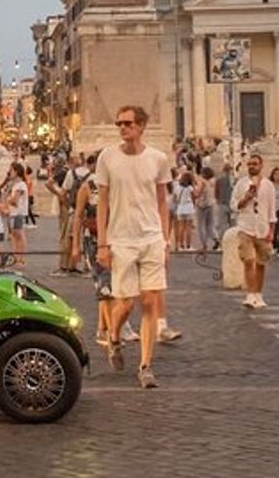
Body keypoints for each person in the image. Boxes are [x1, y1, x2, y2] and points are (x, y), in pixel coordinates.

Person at [94, 104, 171, 389]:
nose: (122, 128)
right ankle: (114, 335)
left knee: (150, 301)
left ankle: (146, 366)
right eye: (119, 124)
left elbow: (162, 201)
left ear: (140, 126)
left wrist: (165, 239)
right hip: (121, 239)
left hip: (151, 237)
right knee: (125, 303)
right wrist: (103, 243)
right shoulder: (107, 158)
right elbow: (102, 201)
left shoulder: (158, 159)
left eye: (127, 123)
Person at [232, 153, 277, 309]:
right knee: (248, 261)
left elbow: (272, 211)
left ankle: (259, 294)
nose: (252, 166)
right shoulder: (240, 184)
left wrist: (272, 231)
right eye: (250, 164)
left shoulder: (269, 185)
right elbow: (234, 205)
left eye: (255, 164)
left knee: (261, 263)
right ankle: (250, 295)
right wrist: (245, 199)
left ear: (261, 165)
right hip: (245, 227)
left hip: (263, 228)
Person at [4, 162, 30, 266]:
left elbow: (14, 200)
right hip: (13, 213)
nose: (9, 172)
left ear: (16, 171)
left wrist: (8, 198)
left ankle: (20, 258)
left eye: (11, 170)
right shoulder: (15, 184)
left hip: (17, 213)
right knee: (14, 236)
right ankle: (16, 258)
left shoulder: (20, 185)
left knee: (19, 235)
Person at [195, 167, 218, 251]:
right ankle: (216, 238)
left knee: (201, 225)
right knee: (210, 225)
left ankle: (204, 244)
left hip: (202, 205)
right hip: (211, 203)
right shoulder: (213, 182)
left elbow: (198, 194)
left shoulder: (202, 182)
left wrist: (194, 192)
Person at [173, 171, 196, 251]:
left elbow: (174, 199)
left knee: (181, 228)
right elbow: (194, 197)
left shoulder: (177, 188)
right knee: (188, 228)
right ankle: (188, 246)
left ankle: (180, 245)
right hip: (189, 207)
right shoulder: (190, 188)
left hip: (180, 208)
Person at [215, 163, 235, 233]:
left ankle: (222, 239)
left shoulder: (219, 180)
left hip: (222, 203)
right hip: (232, 204)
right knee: (232, 224)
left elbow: (216, 192)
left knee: (222, 224)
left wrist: (218, 200)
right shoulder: (234, 180)